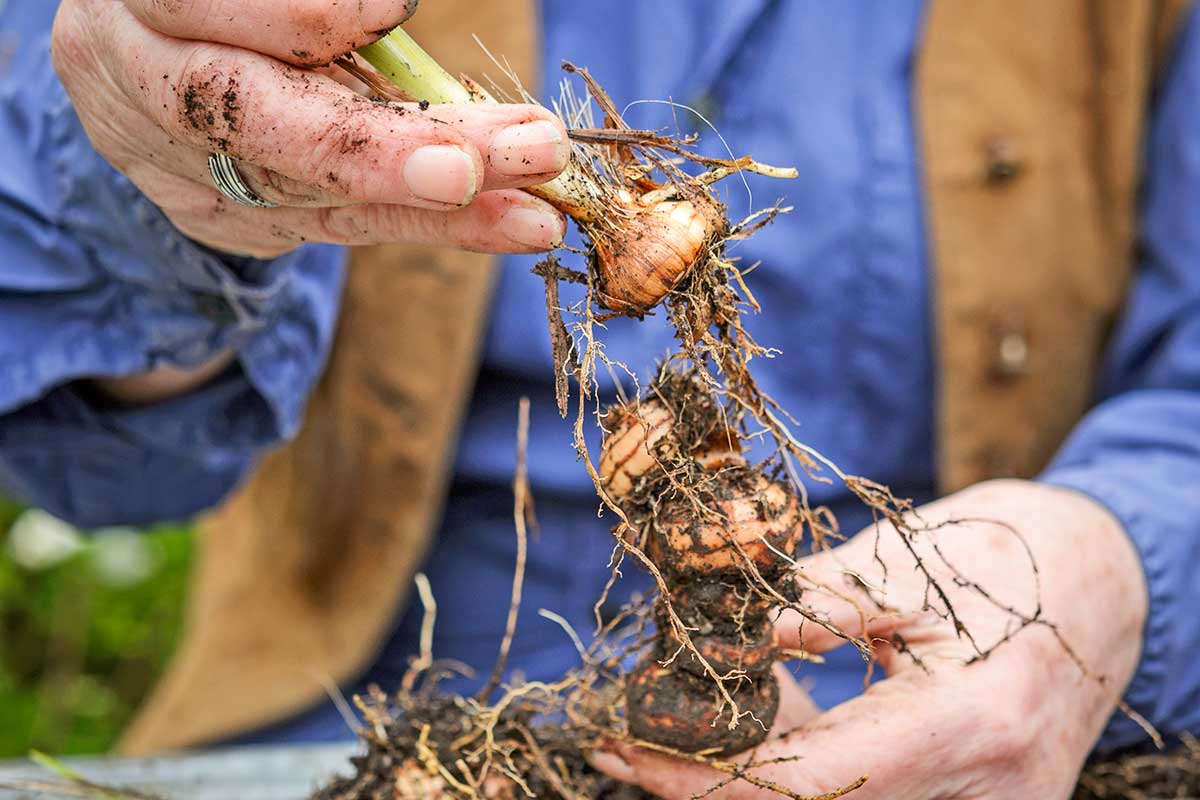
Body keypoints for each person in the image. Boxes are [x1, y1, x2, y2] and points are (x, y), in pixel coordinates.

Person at [2, 1, 1198, 797]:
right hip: (380, 732)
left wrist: (1110, 559)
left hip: (970, 724)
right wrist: (163, 175)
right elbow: (108, 471)